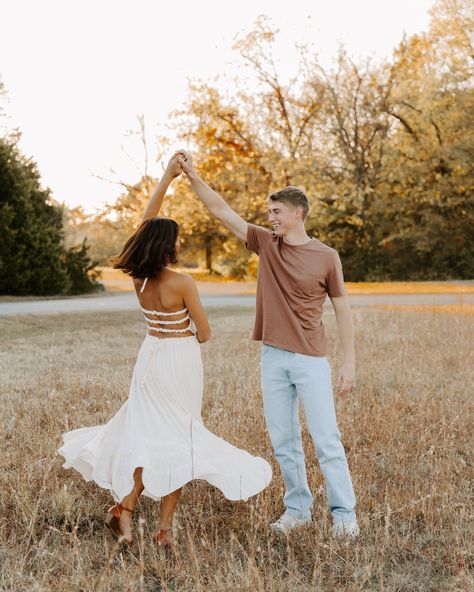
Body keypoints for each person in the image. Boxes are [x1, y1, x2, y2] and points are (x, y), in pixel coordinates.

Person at [57, 154, 272, 546]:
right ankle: (163, 531)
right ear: (167, 245)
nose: (180, 241)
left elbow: (145, 224)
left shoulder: (139, 280)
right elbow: (204, 334)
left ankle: (124, 509)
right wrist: (189, 325)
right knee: (180, 439)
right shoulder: (184, 282)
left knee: (147, 437)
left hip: (149, 357)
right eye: (175, 237)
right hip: (179, 361)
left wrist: (165, 179)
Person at [176, 150, 359, 539]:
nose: (270, 217)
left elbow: (343, 311)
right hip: (272, 358)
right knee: (284, 440)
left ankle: (344, 515)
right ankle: (298, 509)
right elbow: (222, 212)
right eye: (269, 212)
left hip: (311, 360)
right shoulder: (266, 243)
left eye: (276, 211)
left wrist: (349, 363)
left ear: (297, 213)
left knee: (326, 440)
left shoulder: (326, 257)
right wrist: (192, 176)